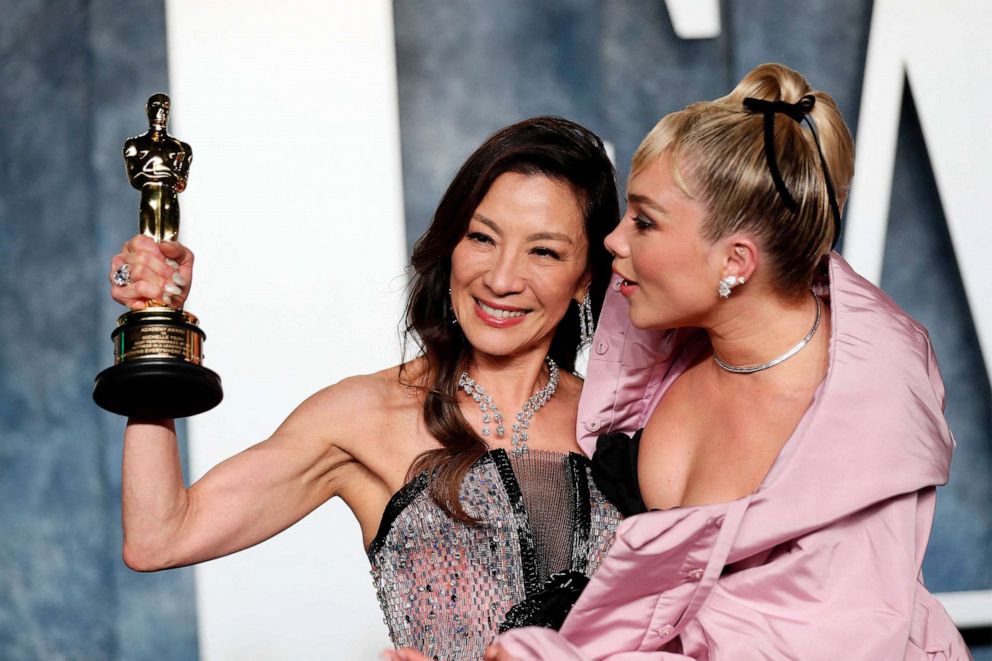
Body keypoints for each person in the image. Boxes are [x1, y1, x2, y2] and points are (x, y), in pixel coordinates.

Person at [485, 64, 969, 659]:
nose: (613, 240)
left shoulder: (857, 437)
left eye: (644, 220)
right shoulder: (662, 361)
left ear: (735, 262)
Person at [108, 116, 623, 660]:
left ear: (586, 276)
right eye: (481, 237)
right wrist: (154, 331)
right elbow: (159, 536)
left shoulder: (622, 421)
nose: (500, 278)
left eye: (544, 251)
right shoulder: (364, 414)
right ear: (451, 243)